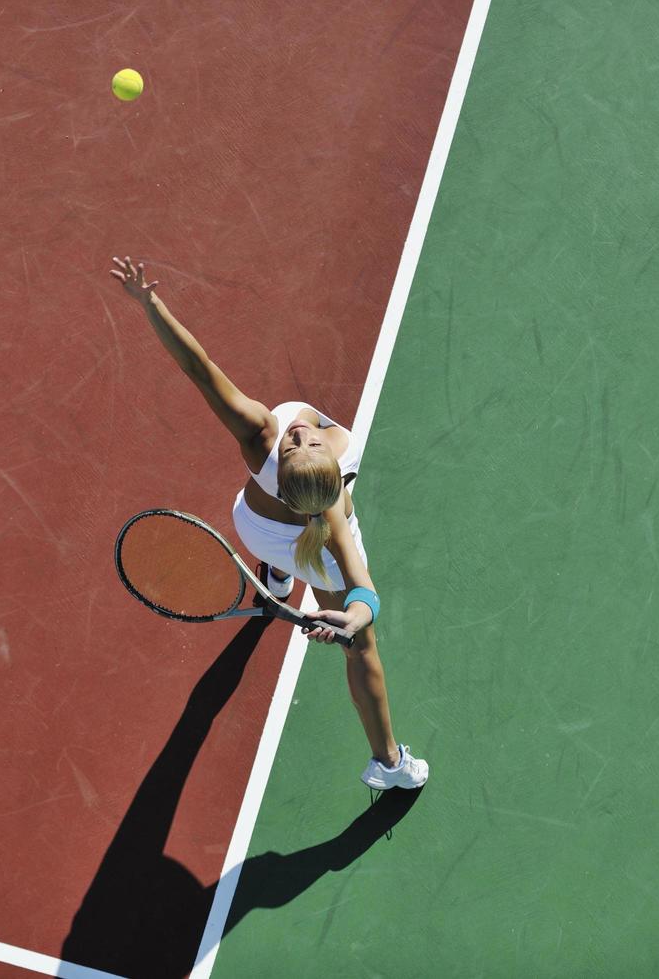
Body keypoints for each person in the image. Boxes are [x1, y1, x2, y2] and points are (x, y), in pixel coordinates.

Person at [110, 256, 428, 790]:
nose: (300, 432)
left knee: (303, 581)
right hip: (310, 554)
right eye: (300, 442)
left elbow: (199, 368)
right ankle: (389, 763)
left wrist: (150, 305)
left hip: (254, 529)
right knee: (364, 651)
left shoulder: (260, 434)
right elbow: (360, 586)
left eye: (299, 442)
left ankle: (278, 577)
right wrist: (353, 620)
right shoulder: (331, 506)